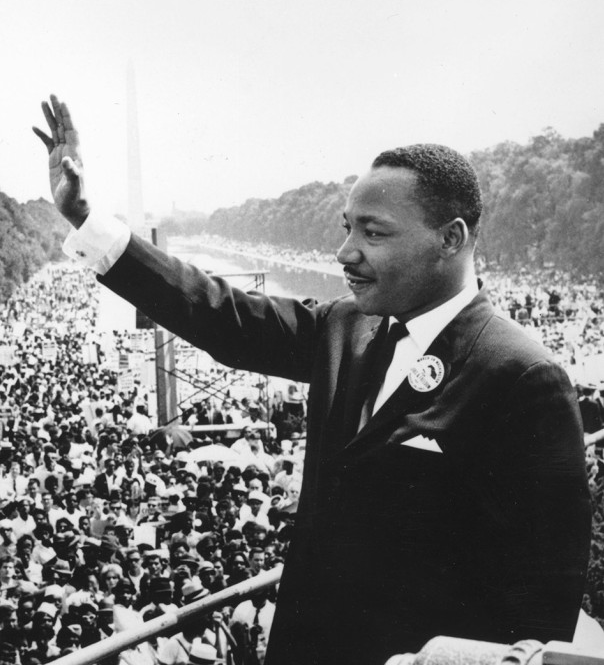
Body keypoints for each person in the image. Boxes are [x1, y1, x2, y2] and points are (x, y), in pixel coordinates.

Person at [34, 95, 592, 664]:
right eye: (347, 228)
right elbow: (218, 314)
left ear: (450, 239)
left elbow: (542, 607)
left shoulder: (523, 378)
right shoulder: (344, 326)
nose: (344, 253)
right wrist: (87, 219)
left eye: (373, 233)